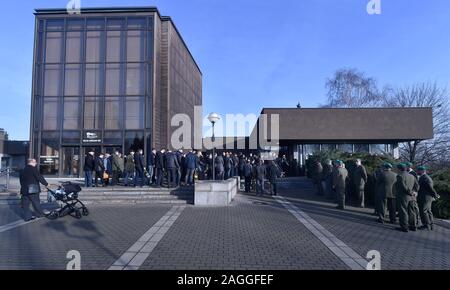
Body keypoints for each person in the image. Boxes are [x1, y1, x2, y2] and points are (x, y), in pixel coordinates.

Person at [396, 163, 420, 232]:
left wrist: (410, 192)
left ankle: (404, 227)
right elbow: (417, 185)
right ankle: (413, 226)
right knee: (412, 211)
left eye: (397, 168)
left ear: (399, 169)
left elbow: (403, 187)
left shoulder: (400, 176)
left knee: (403, 211)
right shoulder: (412, 176)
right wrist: (414, 192)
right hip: (412, 197)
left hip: (403, 196)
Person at [417, 166, 440, 231]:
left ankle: (426, 225)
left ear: (422, 171)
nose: (417, 172)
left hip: (426, 197)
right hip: (425, 197)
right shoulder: (424, 177)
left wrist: (435, 195)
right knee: (428, 211)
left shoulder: (426, 178)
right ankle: (431, 225)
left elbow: (430, 188)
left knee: (424, 211)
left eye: (418, 170)